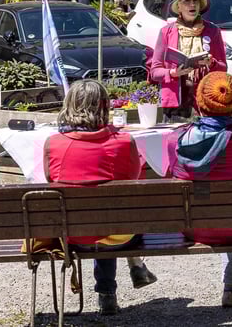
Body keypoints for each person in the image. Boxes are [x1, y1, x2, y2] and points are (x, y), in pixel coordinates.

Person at [43, 79, 158, 315]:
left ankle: (109, 290)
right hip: (120, 236)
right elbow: (132, 180)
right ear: (105, 106)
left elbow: (49, 179)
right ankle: (114, 286)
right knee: (111, 218)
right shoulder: (124, 142)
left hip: (72, 235)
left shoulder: (53, 143)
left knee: (95, 219)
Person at [165, 72, 232, 308]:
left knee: (224, 208)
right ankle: (231, 287)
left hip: (195, 227)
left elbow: (170, 173)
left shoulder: (175, 140)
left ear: (198, 101)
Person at [147, 0, 227, 122]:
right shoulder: (166, 32)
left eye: (195, 1)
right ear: (179, 7)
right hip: (175, 103)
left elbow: (223, 68)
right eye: (187, 1)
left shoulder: (212, 30)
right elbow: (155, 71)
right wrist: (172, 73)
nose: (192, 4)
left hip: (204, 100)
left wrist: (212, 63)